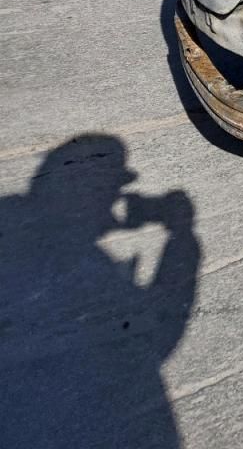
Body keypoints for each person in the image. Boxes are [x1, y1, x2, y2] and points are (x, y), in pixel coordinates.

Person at [0, 135, 200, 449]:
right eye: (109, 189)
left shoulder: (24, 232)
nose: (115, 197)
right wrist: (183, 235)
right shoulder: (76, 264)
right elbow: (161, 338)